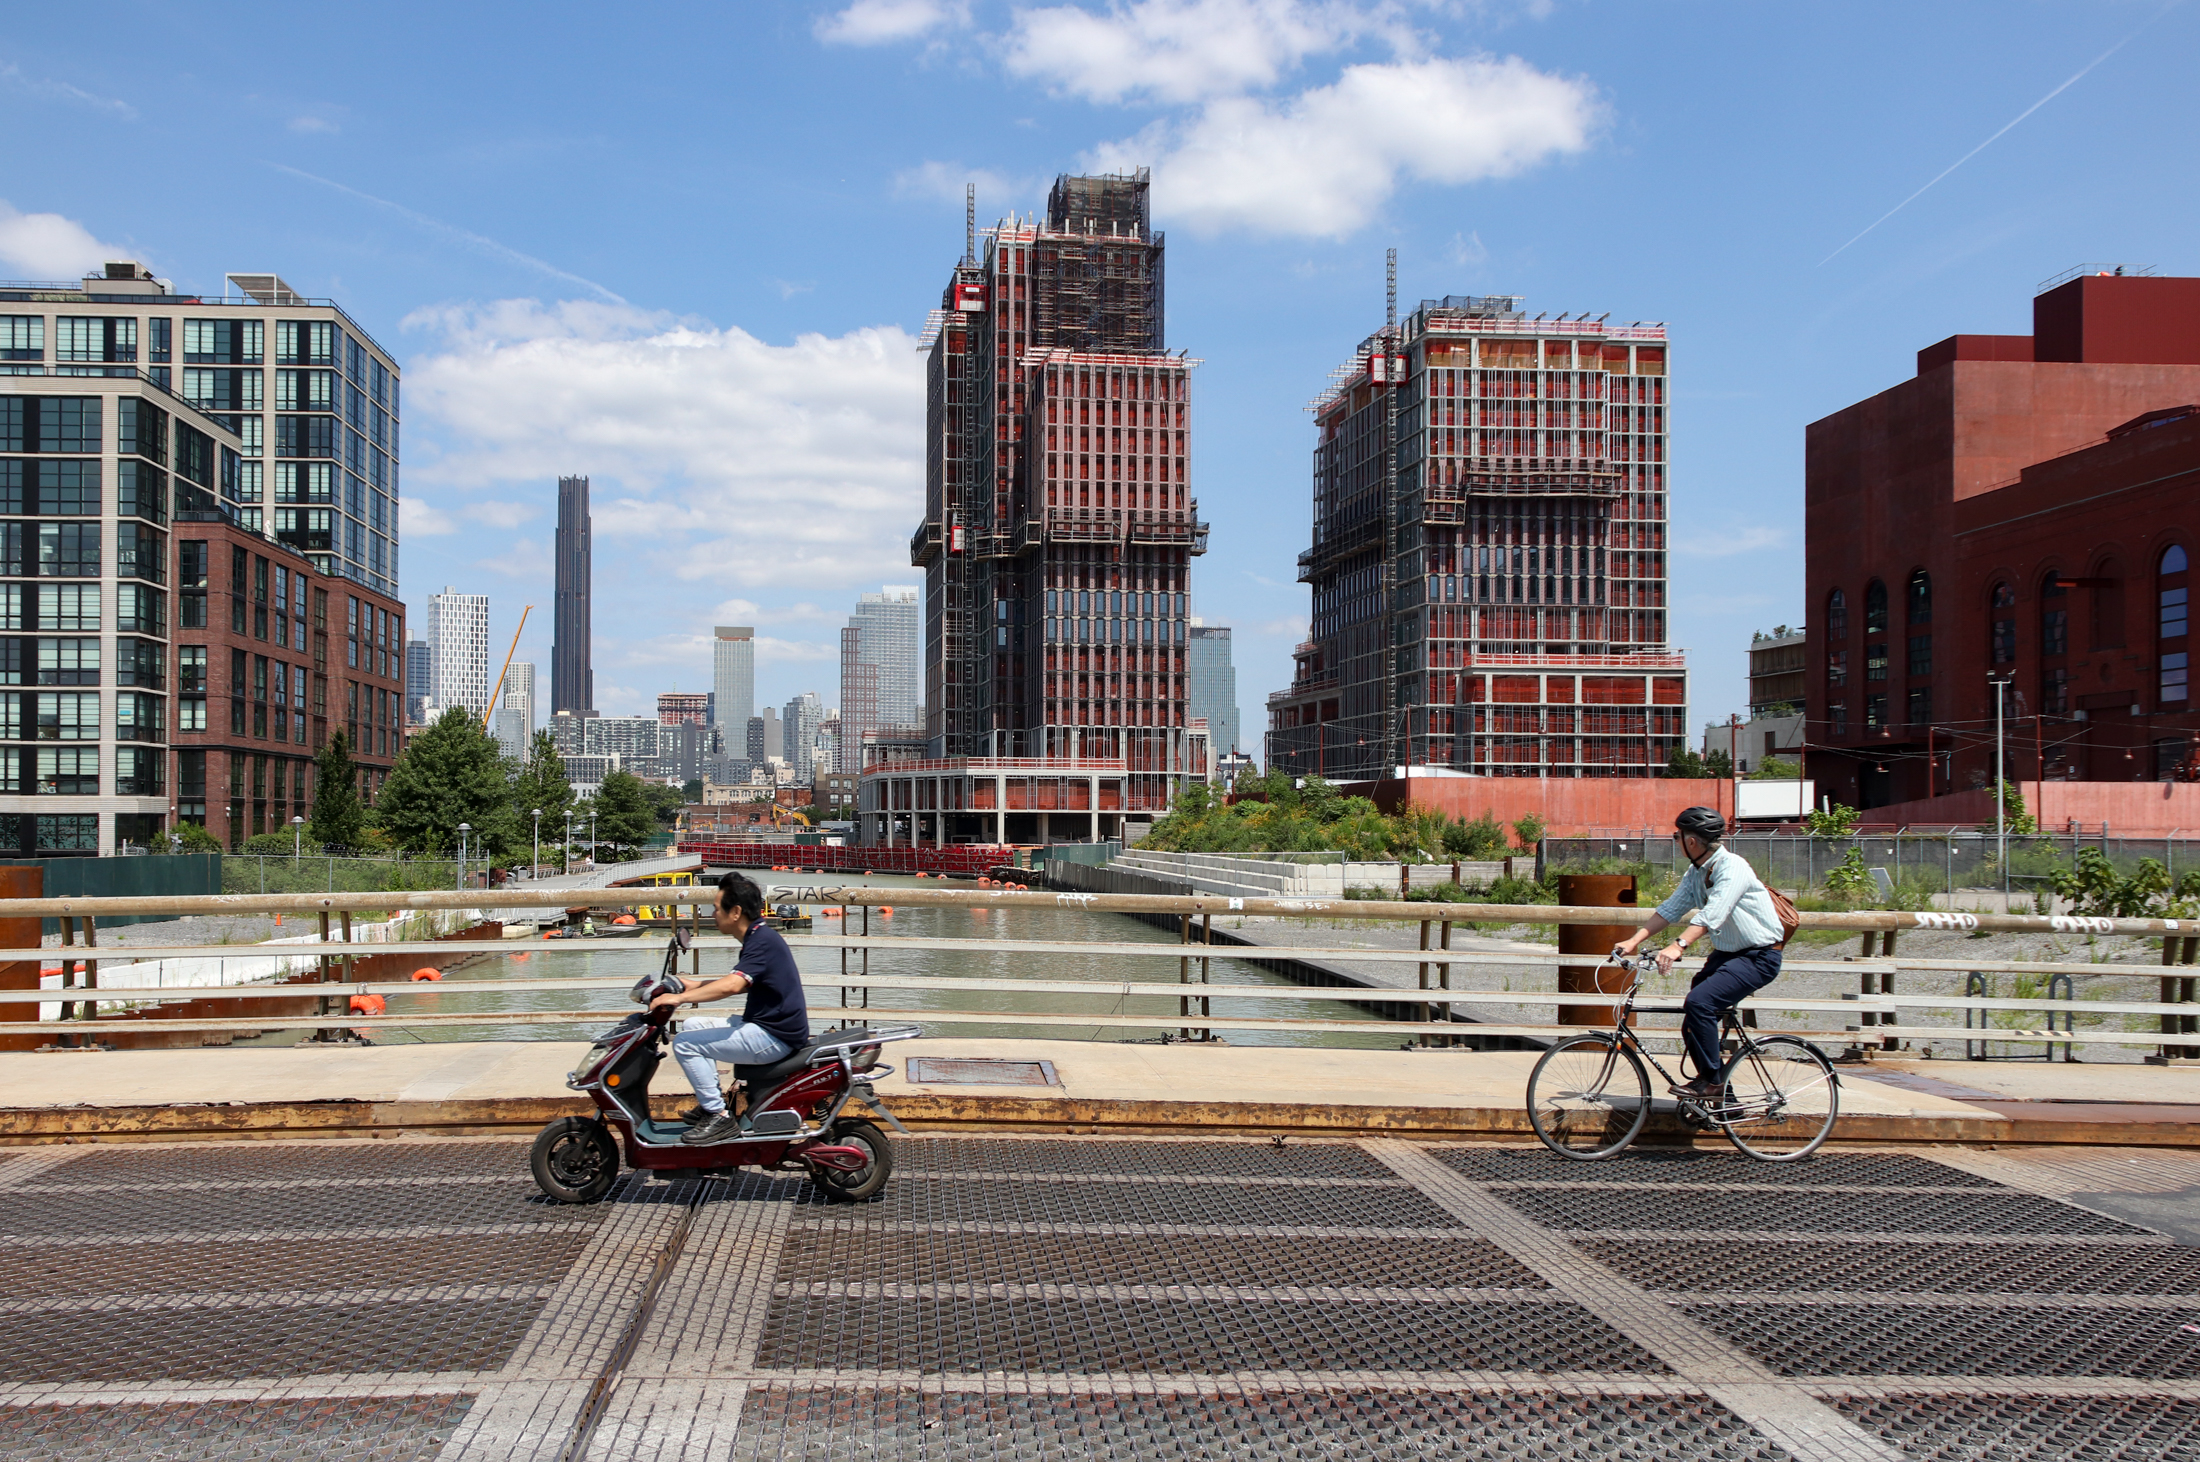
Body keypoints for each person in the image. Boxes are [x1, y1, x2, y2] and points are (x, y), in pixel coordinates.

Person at [1612, 806, 1785, 1102]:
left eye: (1678, 836)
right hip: (1728, 955)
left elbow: (1713, 913)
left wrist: (1678, 945)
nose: (1676, 840)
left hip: (1759, 957)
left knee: (1699, 1003)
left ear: (1691, 841)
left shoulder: (1733, 867)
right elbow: (1670, 909)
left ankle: (1713, 1083)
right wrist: (1633, 940)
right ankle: (1722, 1098)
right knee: (1693, 1017)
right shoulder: (1696, 872)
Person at [650, 871, 811, 1145]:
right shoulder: (758, 937)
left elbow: (733, 985)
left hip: (774, 1037)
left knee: (686, 1044)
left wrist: (677, 999)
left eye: (715, 908)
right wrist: (692, 985)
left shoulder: (761, 941)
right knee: (691, 1026)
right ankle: (712, 1103)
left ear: (735, 912)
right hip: (765, 1028)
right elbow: (740, 981)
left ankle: (717, 1116)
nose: (713, 914)